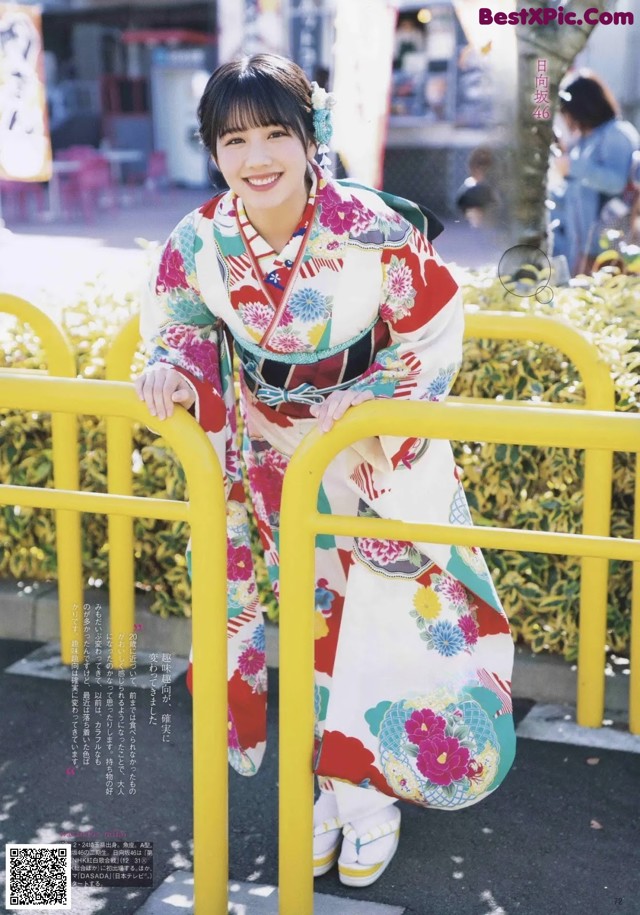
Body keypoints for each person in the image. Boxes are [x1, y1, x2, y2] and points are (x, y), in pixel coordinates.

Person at [135, 53, 516, 888]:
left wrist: (373, 403)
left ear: (313, 138)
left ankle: (365, 795)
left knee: (383, 625)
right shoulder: (200, 241)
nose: (257, 156)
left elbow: (433, 332)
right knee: (309, 623)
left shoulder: (375, 227)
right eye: (234, 139)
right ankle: (323, 791)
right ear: (212, 150)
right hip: (271, 457)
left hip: (372, 453)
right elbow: (184, 330)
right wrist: (176, 372)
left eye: (277, 132)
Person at [549, 70, 639, 275]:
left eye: (566, 112)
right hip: (584, 246)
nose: (566, 119)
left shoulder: (616, 134)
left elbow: (616, 181)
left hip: (610, 246)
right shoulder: (586, 140)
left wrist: (572, 166)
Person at [455, 145, 499, 228]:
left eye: (485, 168)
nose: (482, 172)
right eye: (479, 168)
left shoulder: (490, 190)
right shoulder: (467, 190)